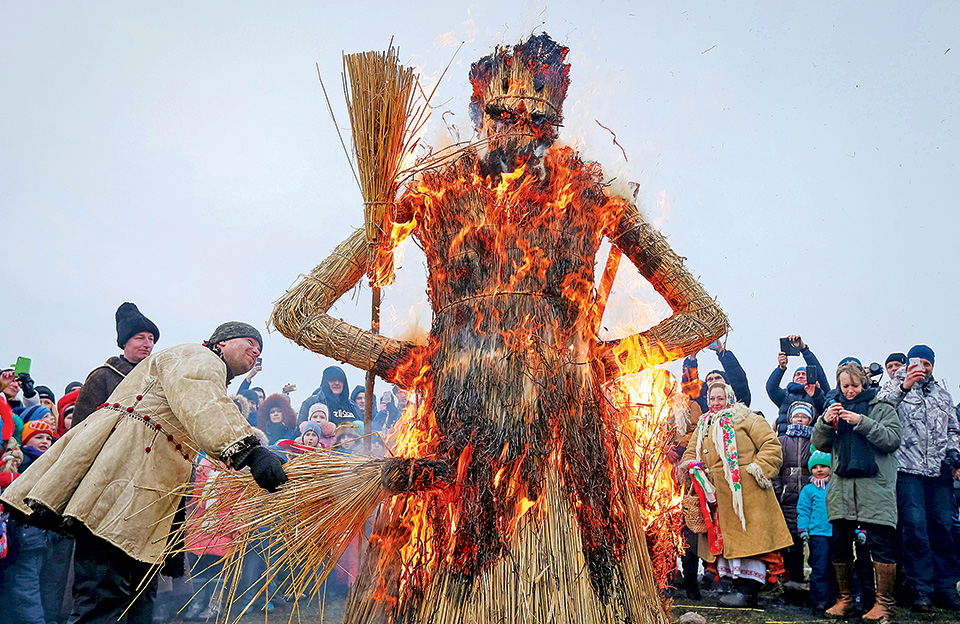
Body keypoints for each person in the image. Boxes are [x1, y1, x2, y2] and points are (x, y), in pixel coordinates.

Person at [0, 321, 287, 624]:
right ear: (221, 343)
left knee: (134, 602)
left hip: (137, 502)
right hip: (122, 490)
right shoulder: (197, 358)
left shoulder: (200, 369)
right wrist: (250, 451)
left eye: (260, 350)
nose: (255, 351)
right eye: (249, 342)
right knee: (105, 600)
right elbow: (205, 404)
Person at [681, 382, 793, 607]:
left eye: (720, 398)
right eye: (712, 399)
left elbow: (771, 445)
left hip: (747, 494)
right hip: (716, 496)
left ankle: (748, 591)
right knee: (727, 543)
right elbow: (691, 451)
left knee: (750, 543)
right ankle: (733, 588)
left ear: (729, 397)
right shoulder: (704, 424)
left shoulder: (746, 418)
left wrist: (757, 471)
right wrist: (689, 466)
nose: (715, 403)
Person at [814, 361, 902, 622]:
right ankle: (845, 601)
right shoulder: (834, 410)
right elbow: (820, 444)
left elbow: (892, 440)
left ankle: (884, 605)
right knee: (840, 546)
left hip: (874, 489)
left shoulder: (882, 407)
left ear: (863, 383)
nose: (850, 390)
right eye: (845, 386)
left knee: (880, 546)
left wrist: (862, 421)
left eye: (854, 385)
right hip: (842, 491)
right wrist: (825, 422)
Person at [878, 344, 960, 611]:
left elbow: (954, 430)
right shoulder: (894, 386)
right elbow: (880, 409)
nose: (922, 368)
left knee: (943, 528)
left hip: (939, 473)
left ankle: (946, 588)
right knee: (915, 530)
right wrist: (903, 386)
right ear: (908, 363)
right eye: (918, 362)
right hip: (907, 470)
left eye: (927, 363)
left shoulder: (943, 395)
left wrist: (954, 454)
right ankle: (920, 590)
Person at [0, 420, 59, 624]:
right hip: (24, 540)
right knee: (27, 597)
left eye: (48, 438)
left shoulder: (54, 464)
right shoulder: (16, 463)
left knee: (40, 594)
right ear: (25, 441)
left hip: (42, 541)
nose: (44, 441)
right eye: (38, 437)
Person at [72, 302, 160, 426]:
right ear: (125, 343)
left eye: (151, 339)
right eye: (139, 338)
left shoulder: (157, 378)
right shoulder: (102, 376)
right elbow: (81, 425)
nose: (147, 344)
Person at [773, 401, 816, 587]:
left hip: (810, 496)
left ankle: (817, 582)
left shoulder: (815, 440)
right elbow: (775, 468)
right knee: (791, 541)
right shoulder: (781, 440)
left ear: (810, 420)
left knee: (814, 540)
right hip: (787, 497)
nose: (800, 419)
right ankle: (794, 580)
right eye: (797, 416)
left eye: (804, 416)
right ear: (790, 418)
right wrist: (778, 490)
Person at [766, 335, 830, 434]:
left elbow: (820, 374)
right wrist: (781, 368)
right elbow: (771, 388)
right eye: (797, 374)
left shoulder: (818, 395)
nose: (800, 376)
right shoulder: (785, 395)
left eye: (804, 374)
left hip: (811, 442)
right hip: (786, 440)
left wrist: (804, 349)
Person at [797, 450, 834, 611]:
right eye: (815, 467)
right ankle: (819, 599)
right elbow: (803, 510)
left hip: (836, 532)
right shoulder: (808, 490)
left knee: (837, 566)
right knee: (819, 567)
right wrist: (803, 529)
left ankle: (837, 597)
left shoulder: (836, 487)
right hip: (818, 534)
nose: (819, 470)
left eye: (824, 466)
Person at [682, 341, 752, 411]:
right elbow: (690, 386)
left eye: (718, 378)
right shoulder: (701, 406)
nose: (714, 381)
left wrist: (721, 351)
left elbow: (737, 377)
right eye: (710, 379)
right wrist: (691, 358)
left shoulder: (737, 400)